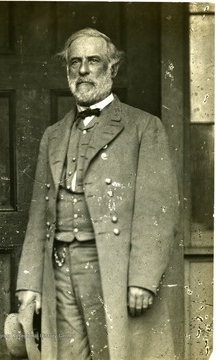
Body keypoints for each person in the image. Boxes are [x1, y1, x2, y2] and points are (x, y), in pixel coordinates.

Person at [16, 28, 179, 360]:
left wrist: (144, 279)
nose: (83, 70)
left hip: (110, 266)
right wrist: (29, 285)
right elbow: (38, 215)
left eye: (94, 61)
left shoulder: (143, 127)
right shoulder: (53, 134)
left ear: (112, 69)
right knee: (66, 355)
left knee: (112, 353)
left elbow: (156, 210)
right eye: (75, 62)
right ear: (67, 71)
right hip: (59, 268)